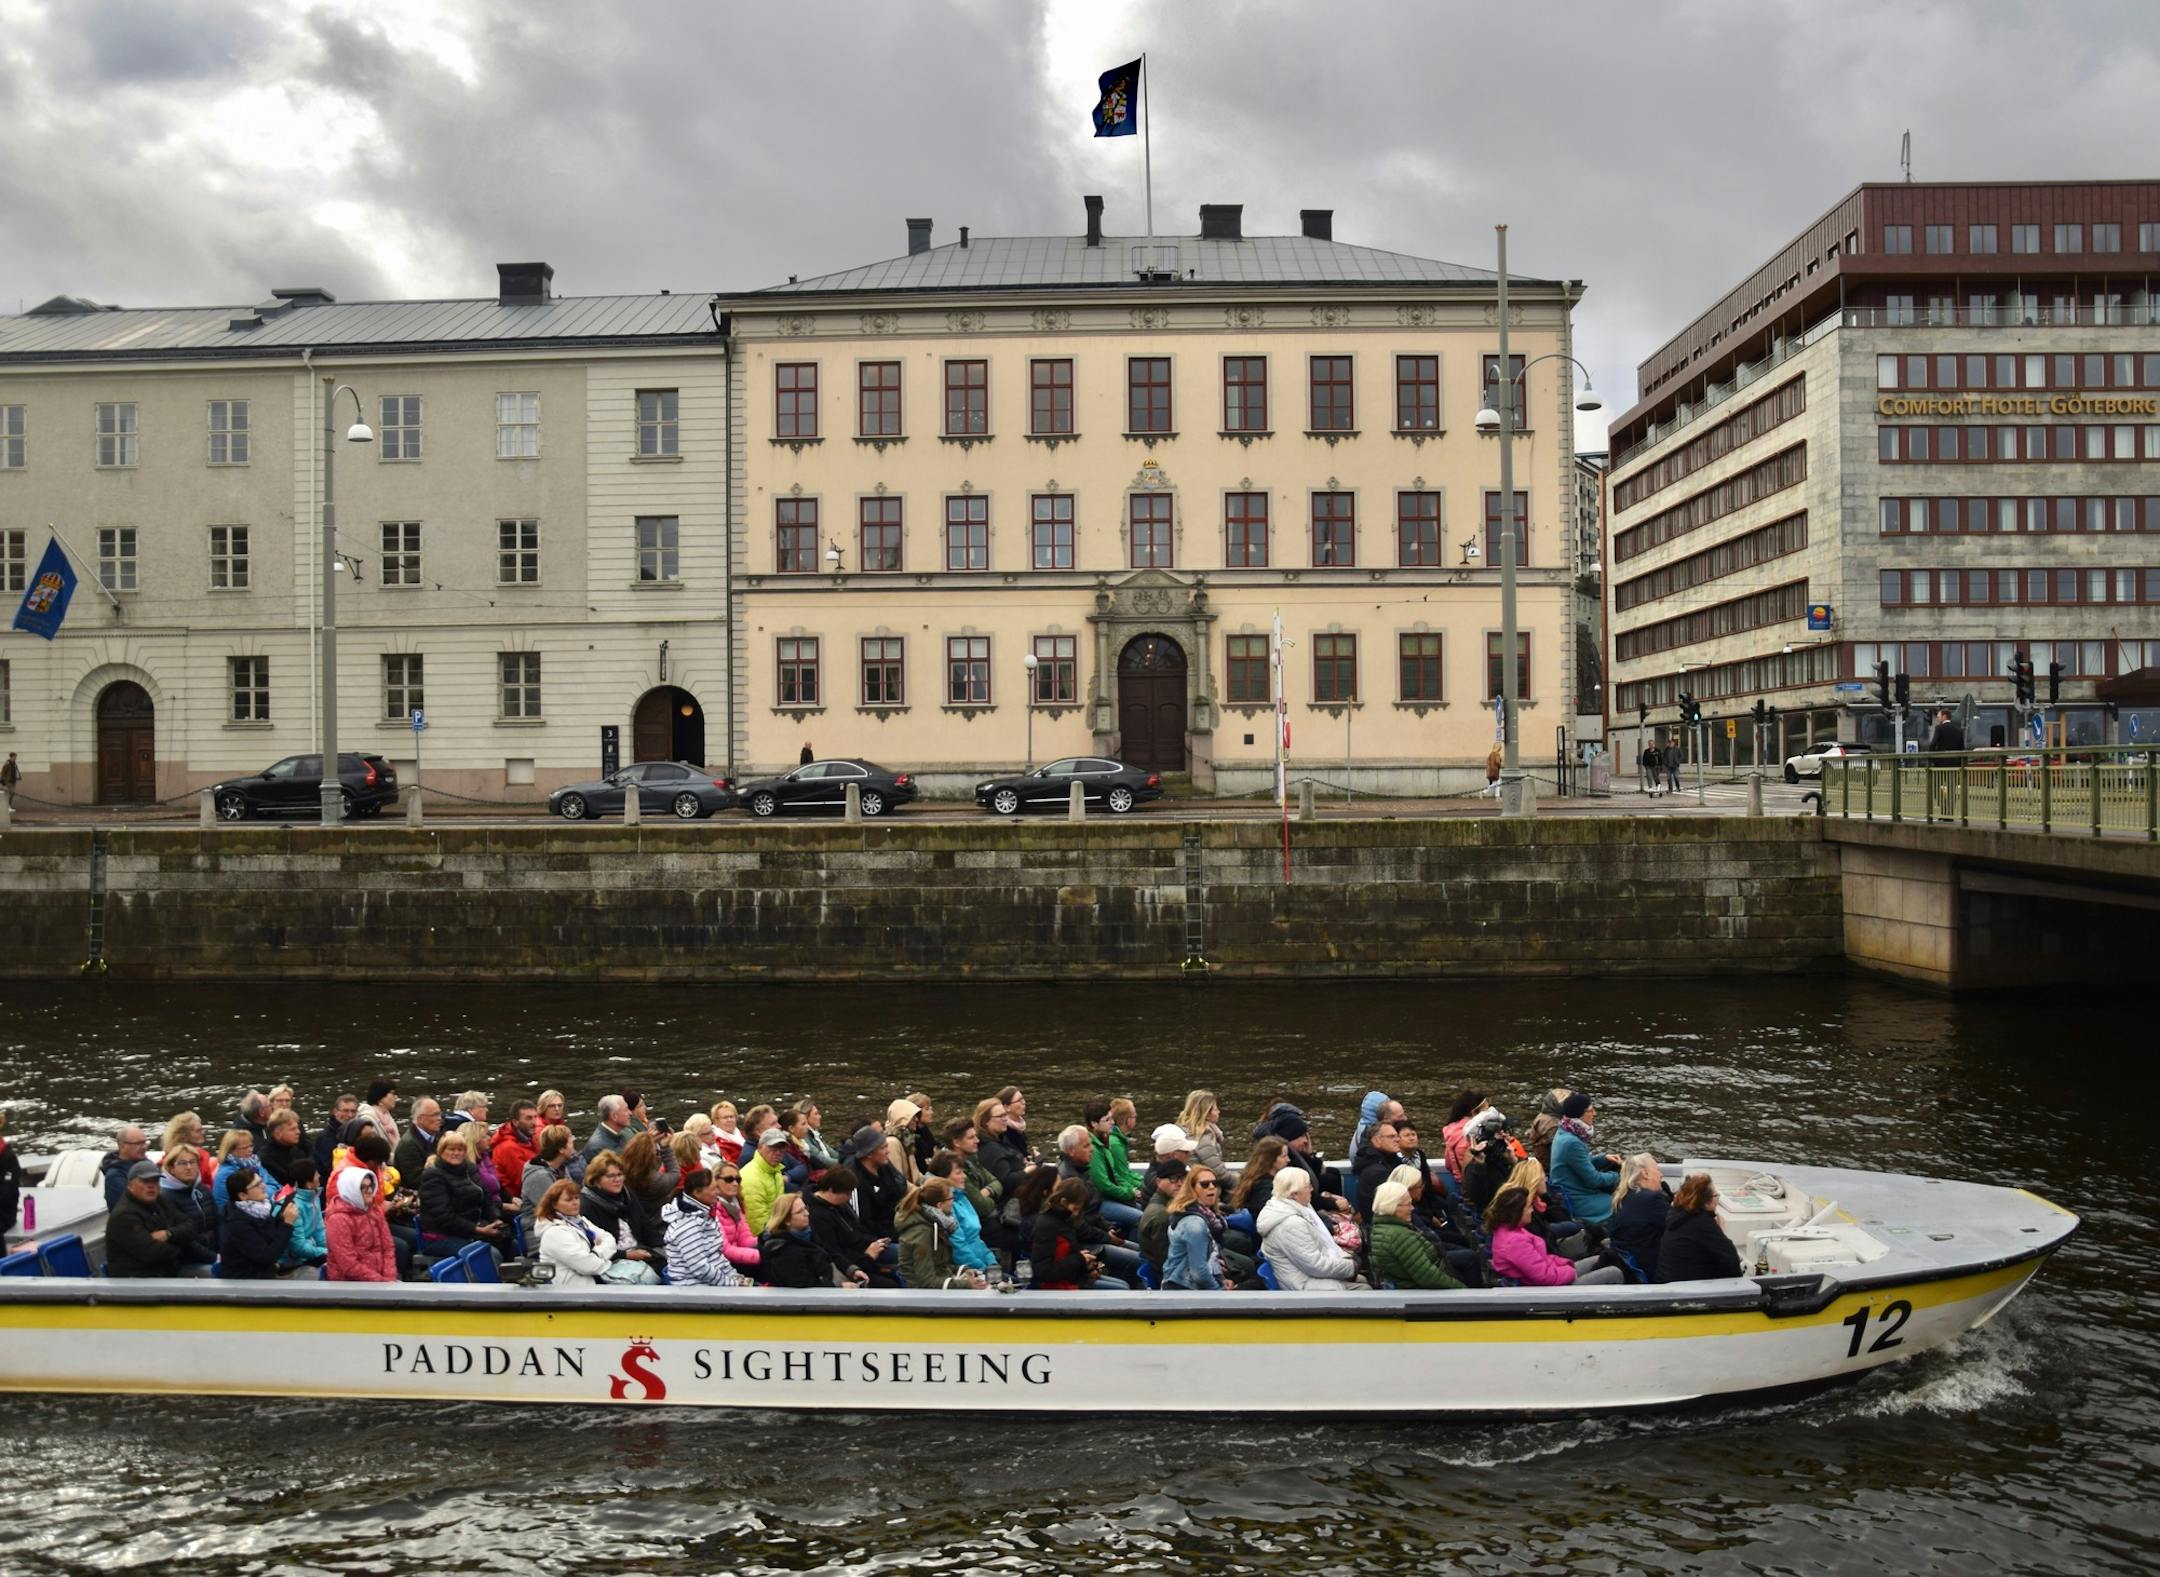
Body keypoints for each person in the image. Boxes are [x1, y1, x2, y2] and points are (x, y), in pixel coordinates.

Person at [1487, 1186, 1624, 1286]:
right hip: (1552, 1290)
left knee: (1602, 1258)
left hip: (1554, 1274)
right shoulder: (1515, 1242)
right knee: (1614, 1273)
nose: (1531, 1210)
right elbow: (1544, 1278)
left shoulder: (1514, 1231)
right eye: (1528, 1207)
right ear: (1517, 1213)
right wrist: (1571, 1272)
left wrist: (1563, 1265)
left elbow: (1542, 1260)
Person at [1255, 1168, 1359, 1290]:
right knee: (1365, 1289)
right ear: (1294, 1194)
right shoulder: (1290, 1224)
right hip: (1304, 1286)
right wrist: (1351, 1267)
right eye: (1307, 1186)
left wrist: (1347, 1263)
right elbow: (1315, 1266)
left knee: (1362, 1280)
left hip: (1306, 1275)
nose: (1312, 1189)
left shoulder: (1298, 1208)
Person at [418, 1128, 506, 1260]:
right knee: (490, 1255)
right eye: (451, 1149)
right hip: (442, 1235)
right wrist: (478, 1230)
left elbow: (487, 1199)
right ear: (442, 1151)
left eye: (460, 1150)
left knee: (509, 1241)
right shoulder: (433, 1176)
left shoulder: (469, 1169)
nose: (456, 1153)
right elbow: (444, 1217)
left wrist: (495, 1218)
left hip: (470, 1228)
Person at [1031, 1178, 1127, 1290]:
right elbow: (1043, 1271)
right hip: (1060, 1285)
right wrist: (1080, 1259)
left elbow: (1070, 1253)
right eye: (1075, 1208)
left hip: (1073, 1276)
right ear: (1063, 1202)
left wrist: (1087, 1267)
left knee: (1124, 1285)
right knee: (1121, 1289)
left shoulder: (1066, 1219)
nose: (1076, 1213)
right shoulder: (1047, 1225)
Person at [1369, 1180, 1466, 1290]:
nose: (1412, 1208)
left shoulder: (1380, 1227)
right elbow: (1428, 1277)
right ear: (1393, 1207)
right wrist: (1461, 1289)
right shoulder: (1401, 1237)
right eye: (1408, 1204)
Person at [107, 1161, 198, 1278]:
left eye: (155, 1181)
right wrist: (183, 1245)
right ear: (130, 1186)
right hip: (137, 1280)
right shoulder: (124, 1215)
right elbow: (151, 1253)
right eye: (145, 1181)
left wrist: (169, 1234)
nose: (151, 1186)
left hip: (168, 1271)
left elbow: (191, 1226)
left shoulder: (161, 1201)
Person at [808, 1166, 896, 1285]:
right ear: (831, 1190)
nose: (849, 1198)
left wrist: (874, 1242)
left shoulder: (840, 1205)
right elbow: (836, 1254)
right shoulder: (818, 1216)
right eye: (847, 1194)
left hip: (865, 1251)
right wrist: (868, 1256)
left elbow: (857, 1231)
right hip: (856, 1263)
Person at [896, 1177, 986, 1290]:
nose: (953, 1202)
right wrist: (967, 1285)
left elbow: (939, 1266)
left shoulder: (935, 1224)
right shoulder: (921, 1233)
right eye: (951, 1198)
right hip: (919, 1295)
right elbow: (926, 1282)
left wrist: (962, 1270)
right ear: (939, 1205)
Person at [1547, 1093, 1623, 1227]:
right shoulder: (1572, 1142)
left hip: (1571, 1192)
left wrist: (1603, 1159)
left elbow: (1581, 1163)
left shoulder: (1564, 1132)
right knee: (1622, 1204)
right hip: (1578, 1198)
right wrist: (1618, 1176)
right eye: (1591, 1110)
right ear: (1580, 1115)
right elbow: (1594, 1180)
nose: (1595, 1113)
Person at [580, 1151, 665, 1271]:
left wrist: (667, 1243)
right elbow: (592, 1249)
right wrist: (626, 1255)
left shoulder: (628, 1195)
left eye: (620, 1175)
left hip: (640, 1250)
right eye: (611, 1176)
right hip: (610, 1262)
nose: (617, 1179)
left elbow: (646, 1228)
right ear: (596, 1180)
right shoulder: (587, 1206)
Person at [1656, 1172, 1746, 1283]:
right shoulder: (1702, 1224)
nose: (1717, 1200)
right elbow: (1730, 1259)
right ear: (1706, 1201)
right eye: (1716, 1196)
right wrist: (1720, 1232)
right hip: (1691, 1291)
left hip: (1668, 1281)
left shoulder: (1676, 1214)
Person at [664, 1169, 748, 1287]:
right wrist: (731, 1284)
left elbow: (716, 1256)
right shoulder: (688, 1225)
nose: (717, 1192)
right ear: (697, 1193)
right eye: (713, 1189)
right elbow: (699, 1267)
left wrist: (734, 1277)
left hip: (710, 1282)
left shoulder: (706, 1214)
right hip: (692, 1287)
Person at [534, 1179, 620, 1289]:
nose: (575, 1203)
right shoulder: (554, 1233)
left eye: (577, 1198)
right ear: (554, 1204)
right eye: (569, 1200)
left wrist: (594, 1254)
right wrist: (602, 1256)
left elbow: (609, 1239)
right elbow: (588, 1266)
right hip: (573, 1292)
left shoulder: (580, 1221)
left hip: (595, 1284)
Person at [218, 1167, 297, 1279]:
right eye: (257, 1185)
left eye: (261, 1181)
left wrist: (281, 1219)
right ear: (242, 1196)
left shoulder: (261, 1210)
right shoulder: (236, 1224)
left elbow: (271, 1239)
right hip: (245, 1282)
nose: (263, 1186)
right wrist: (287, 1224)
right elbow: (267, 1256)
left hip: (264, 1273)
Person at [928, 1151, 996, 1275]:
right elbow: (959, 1249)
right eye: (958, 1172)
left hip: (982, 1262)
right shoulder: (946, 1205)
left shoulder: (962, 1197)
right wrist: (985, 1270)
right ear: (943, 1177)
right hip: (968, 1271)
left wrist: (992, 1263)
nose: (964, 1176)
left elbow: (977, 1238)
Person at [1162, 1167, 1229, 1292]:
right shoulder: (1195, 1225)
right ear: (1192, 1189)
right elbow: (1199, 1272)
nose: (1211, 1187)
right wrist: (1220, 1290)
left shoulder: (1205, 1214)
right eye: (1204, 1184)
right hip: (1184, 1288)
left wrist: (1222, 1280)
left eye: (1214, 1183)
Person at [325, 1164, 397, 1281]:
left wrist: (389, 1277)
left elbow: (388, 1247)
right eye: (363, 1187)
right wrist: (382, 1282)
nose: (369, 1191)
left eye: (371, 1186)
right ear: (351, 1189)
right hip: (349, 1284)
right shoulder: (338, 1219)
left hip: (380, 1281)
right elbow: (349, 1265)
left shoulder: (374, 1210)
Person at [758, 1193, 845, 1288]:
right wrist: (839, 1286)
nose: (807, 1213)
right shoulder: (784, 1251)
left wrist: (851, 1270)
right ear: (786, 1220)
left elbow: (830, 1253)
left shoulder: (809, 1233)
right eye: (800, 1212)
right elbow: (804, 1286)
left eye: (805, 1208)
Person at [1609, 1154, 1669, 1281]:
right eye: (1657, 1170)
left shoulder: (1621, 1198)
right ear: (1645, 1174)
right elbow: (1678, 1227)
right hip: (1650, 1270)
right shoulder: (1653, 1200)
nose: (1661, 1175)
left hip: (1629, 1265)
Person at [517, 1124, 577, 1246]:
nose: (573, 1147)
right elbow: (553, 1210)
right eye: (571, 1143)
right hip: (542, 1236)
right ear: (561, 1149)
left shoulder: (560, 1168)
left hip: (564, 1228)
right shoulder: (539, 1177)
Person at [1136, 1156, 1187, 1279]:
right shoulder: (1162, 1216)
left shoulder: (1166, 1203)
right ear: (1158, 1182)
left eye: (1182, 1179)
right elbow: (1163, 1259)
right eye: (1173, 1179)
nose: (1179, 1184)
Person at [276, 1157, 328, 1271]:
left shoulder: (314, 1198)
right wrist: (326, 1252)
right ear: (308, 1184)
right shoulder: (293, 1206)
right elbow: (298, 1247)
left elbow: (319, 1231)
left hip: (308, 1254)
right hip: (290, 1263)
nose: (319, 1176)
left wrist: (332, 1249)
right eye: (315, 1174)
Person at [970, 1098, 1029, 1198]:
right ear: (986, 1121)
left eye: (1005, 1114)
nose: (1005, 1119)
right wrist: (1027, 1171)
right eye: (1000, 1116)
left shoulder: (1002, 1138)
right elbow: (1005, 1181)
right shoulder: (989, 1148)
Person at [740, 1126, 792, 1235]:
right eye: (773, 1148)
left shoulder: (776, 1171)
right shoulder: (751, 1178)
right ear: (759, 1147)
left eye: (781, 1149)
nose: (778, 1153)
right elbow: (758, 1225)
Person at [209, 1128, 273, 1209]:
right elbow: (222, 1205)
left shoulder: (254, 1163)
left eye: (251, 1146)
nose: (250, 1150)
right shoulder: (227, 1173)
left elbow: (276, 1185)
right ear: (231, 1150)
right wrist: (267, 1192)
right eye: (244, 1148)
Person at [491, 1100, 542, 1199]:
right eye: (529, 1118)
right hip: (520, 1201)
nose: (534, 1123)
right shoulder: (508, 1148)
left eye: (535, 1117)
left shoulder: (529, 1140)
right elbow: (523, 1182)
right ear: (515, 1122)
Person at [621, 1130, 676, 1218]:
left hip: (633, 1218)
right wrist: (665, 1148)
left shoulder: (620, 1173)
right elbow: (674, 1173)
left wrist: (646, 1140)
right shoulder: (656, 1181)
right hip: (656, 1224)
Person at [391, 1098, 443, 1189]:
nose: (439, 1118)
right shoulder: (408, 1145)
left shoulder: (438, 1137)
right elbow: (414, 1181)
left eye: (439, 1114)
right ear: (420, 1119)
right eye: (435, 1115)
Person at [1231, 1137, 1289, 1214]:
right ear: (1270, 1159)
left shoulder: (1253, 1178)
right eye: (1284, 1156)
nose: (1288, 1159)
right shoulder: (1263, 1187)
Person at [1175, 1090, 1228, 1170]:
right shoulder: (1203, 1135)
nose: (1218, 1112)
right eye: (1215, 1109)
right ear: (1206, 1113)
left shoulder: (1181, 1129)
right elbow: (1217, 1171)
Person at [100, 1124, 150, 1209]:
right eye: (138, 1143)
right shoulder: (115, 1176)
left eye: (144, 1143)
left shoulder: (147, 1164)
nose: (144, 1147)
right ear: (122, 1146)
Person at [259, 1111, 313, 1189]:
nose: (298, 1132)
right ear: (277, 1133)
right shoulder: (266, 1158)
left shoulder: (296, 1151)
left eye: (297, 1128)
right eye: (292, 1129)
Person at [313, 1094, 359, 1180]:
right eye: (345, 1111)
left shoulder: (359, 1134)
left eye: (353, 1111)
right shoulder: (324, 1138)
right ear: (335, 1112)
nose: (350, 1115)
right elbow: (329, 1168)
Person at [579, 1094, 632, 1164]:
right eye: (626, 1109)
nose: (630, 1113)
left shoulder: (626, 1133)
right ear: (614, 1116)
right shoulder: (596, 1148)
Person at [355, 1079, 400, 1147]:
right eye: (393, 1093)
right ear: (380, 1097)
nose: (396, 1097)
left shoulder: (387, 1116)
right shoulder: (367, 1119)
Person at [708, 1102, 747, 1167]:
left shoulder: (743, 1135)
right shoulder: (715, 1142)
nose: (729, 1120)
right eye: (725, 1117)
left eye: (731, 1117)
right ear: (716, 1121)